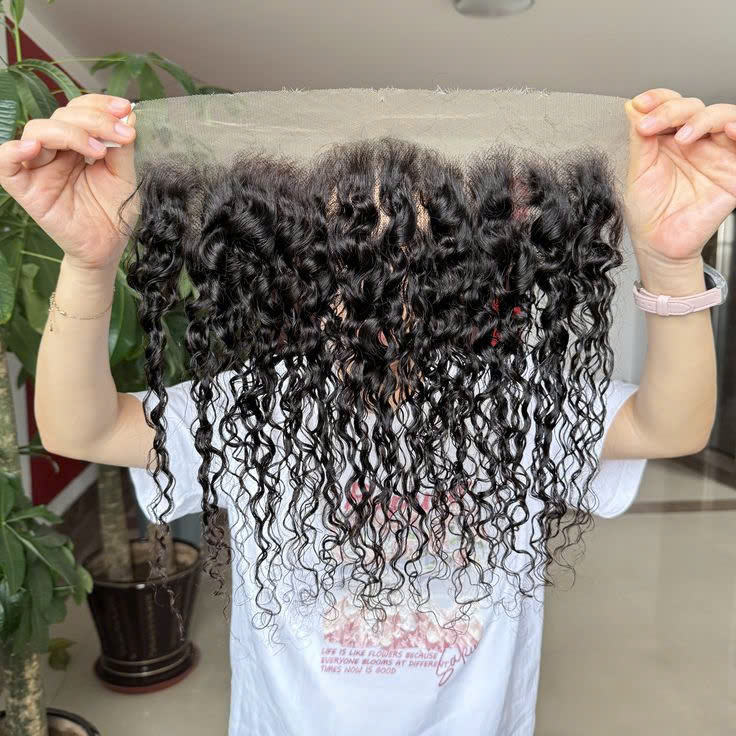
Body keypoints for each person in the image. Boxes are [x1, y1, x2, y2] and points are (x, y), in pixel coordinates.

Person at [2, 87, 729, 735]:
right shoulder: (254, 405)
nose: (377, 291)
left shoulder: (514, 402)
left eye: (413, 257)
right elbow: (81, 428)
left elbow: (670, 426)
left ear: (461, 274)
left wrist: (670, 262)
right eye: (346, 257)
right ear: (297, 272)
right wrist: (88, 264)